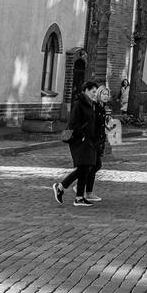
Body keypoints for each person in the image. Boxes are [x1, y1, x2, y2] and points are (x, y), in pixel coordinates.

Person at [53, 79, 100, 207]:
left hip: (88, 140)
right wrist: (83, 135)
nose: (95, 94)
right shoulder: (79, 104)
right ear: (85, 91)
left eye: (96, 92)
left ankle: (78, 197)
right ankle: (61, 186)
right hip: (79, 140)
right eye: (93, 91)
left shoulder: (91, 104)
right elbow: (73, 123)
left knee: (85, 168)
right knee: (83, 168)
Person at [84, 84, 112, 202]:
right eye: (103, 94)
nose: (105, 96)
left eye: (107, 94)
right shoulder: (95, 106)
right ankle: (82, 188)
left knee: (95, 165)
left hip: (99, 140)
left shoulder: (102, 107)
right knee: (93, 165)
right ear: (99, 94)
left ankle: (87, 191)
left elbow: (102, 124)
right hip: (93, 140)